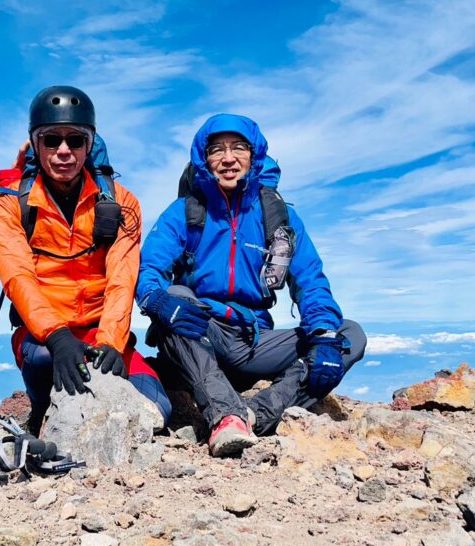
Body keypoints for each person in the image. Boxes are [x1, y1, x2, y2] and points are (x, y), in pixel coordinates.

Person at [137, 114, 366, 457]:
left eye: (238, 147)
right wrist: (156, 301)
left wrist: (323, 335)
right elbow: (148, 269)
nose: (228, 158)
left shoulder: (278, 216)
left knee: (347, 334)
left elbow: (311, 281)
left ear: (254, 154)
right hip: (201, 334)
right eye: (216, 150)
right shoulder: (185, 212)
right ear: (204, 158)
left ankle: (255, 414)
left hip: (253, 339)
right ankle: (225, 416)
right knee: (176, 299)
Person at [0, 86, 171, 433]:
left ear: (89, 145)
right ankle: (42, 409)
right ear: (35, 143)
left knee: (156, 411)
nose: (63, 151)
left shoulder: (121, 203)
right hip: (43, 336)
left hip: (102, 332)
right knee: (46, 364)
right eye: (51, 139)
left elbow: (122, 277)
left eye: (75, 140)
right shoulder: (10, 204)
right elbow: (17, 277)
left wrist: (111, 344)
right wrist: (57, 337)